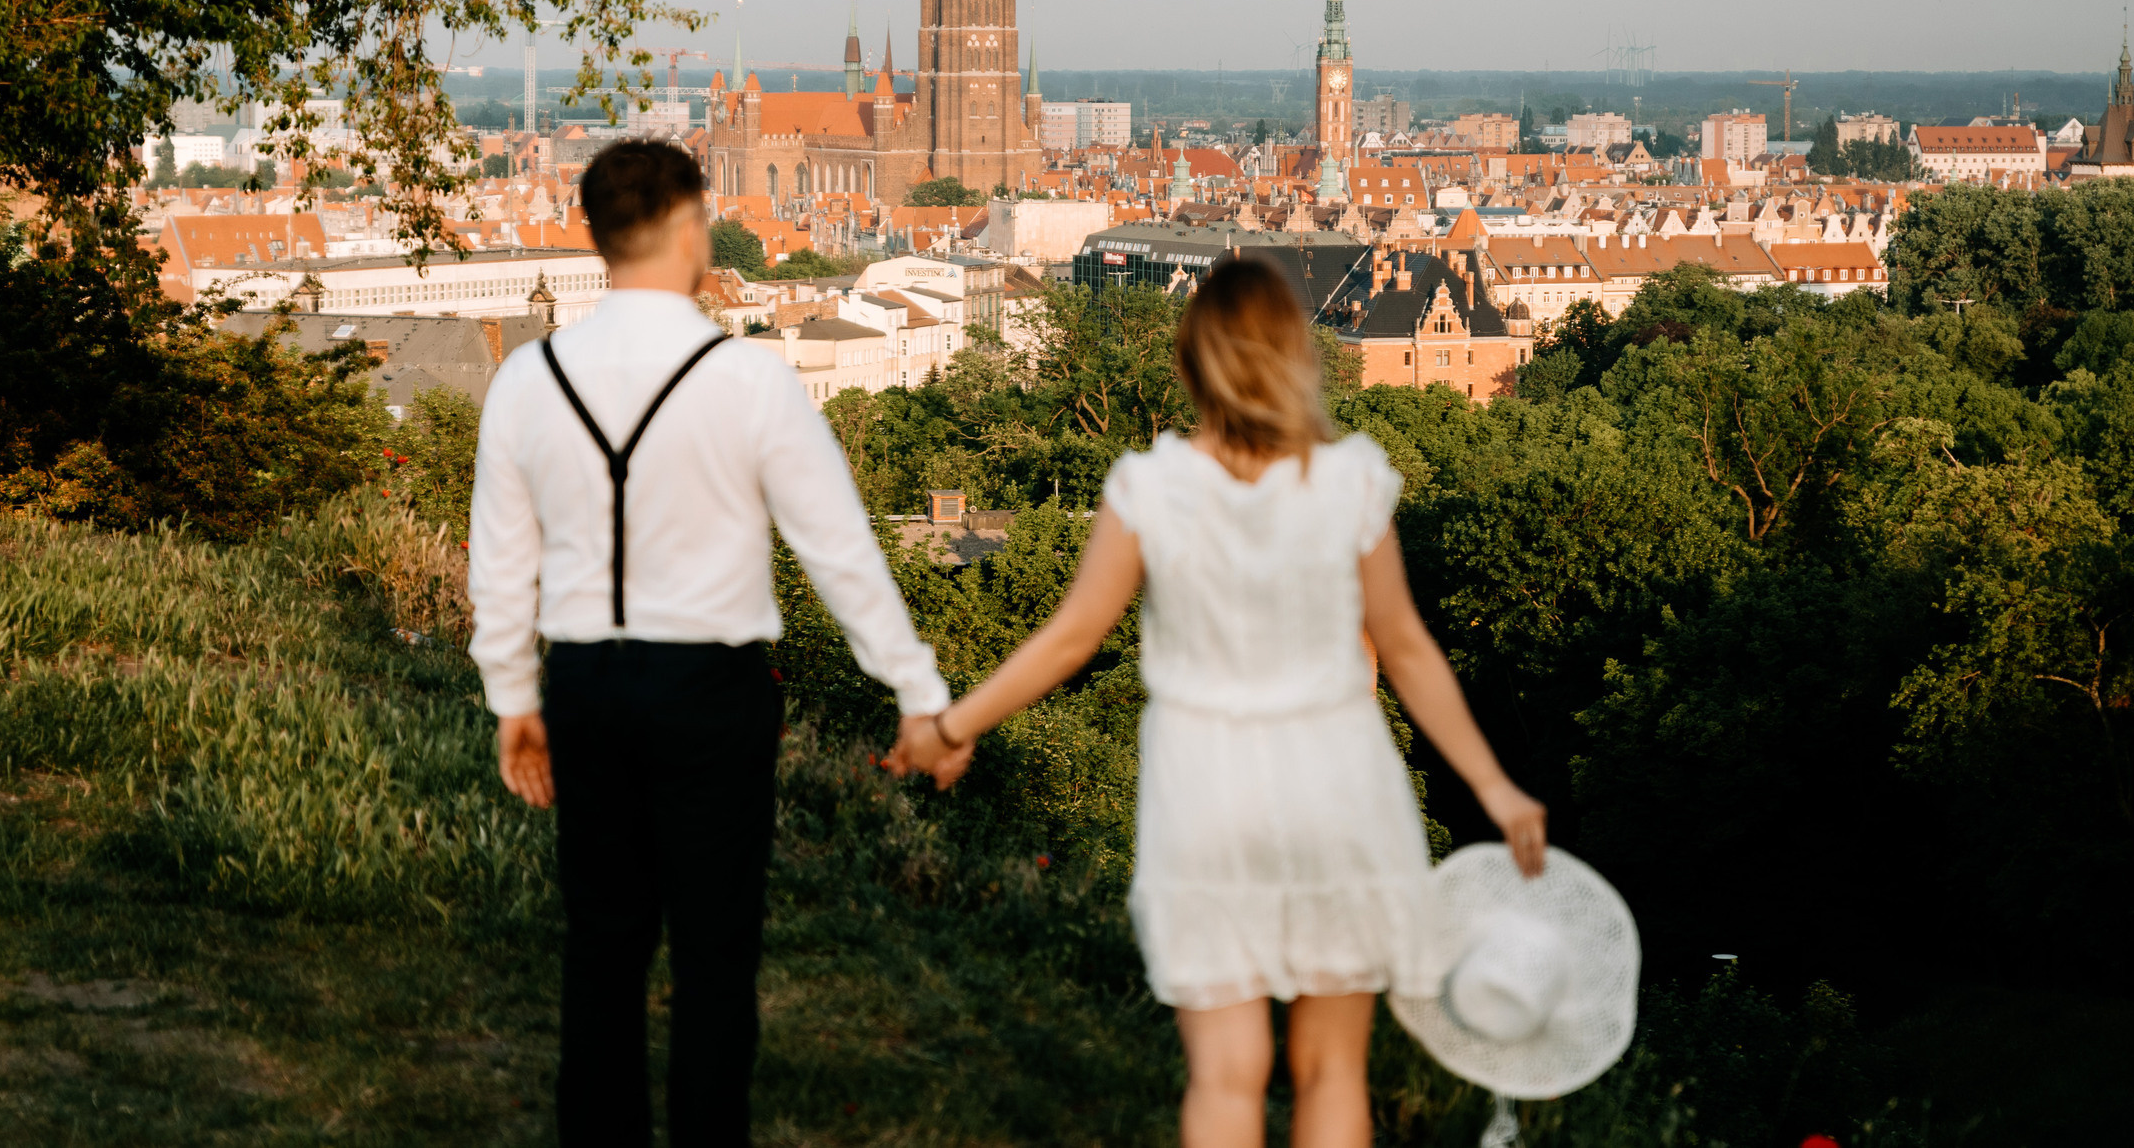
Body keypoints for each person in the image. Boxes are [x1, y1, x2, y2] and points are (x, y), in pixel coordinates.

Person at [890, 258, 1548, 1148]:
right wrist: (1494, 786)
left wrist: (950, 725)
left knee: (1226, 1076)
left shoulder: (1151, 487)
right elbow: (1408, 649)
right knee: (1330, 1074)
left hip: (1207, 793)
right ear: (1298, 358)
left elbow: (1070, 639)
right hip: (1338, 787)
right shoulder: (1350, 480)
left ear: (1191, 361)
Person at [467, 139, 950, 1148]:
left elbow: (501, 568)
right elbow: (841, 553)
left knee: (601, 949)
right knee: (715, 953)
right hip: (714, 687)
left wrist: (514, 699)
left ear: (593, 238)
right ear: (692, 228)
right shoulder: (750, 381)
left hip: (588, 682)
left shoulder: (527, 379)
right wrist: (915, 688)